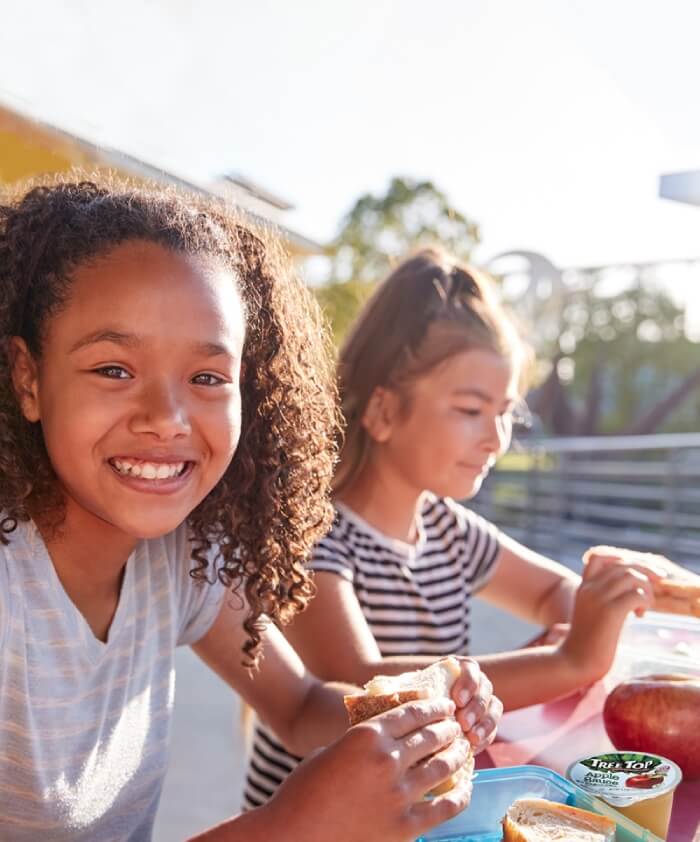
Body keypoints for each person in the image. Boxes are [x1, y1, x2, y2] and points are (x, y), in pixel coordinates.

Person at [0, 183, 499, 842]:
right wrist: (293, 823)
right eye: (114, 369)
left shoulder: (179, 561)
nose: (166, 420)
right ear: (28, 378)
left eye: (207, 378)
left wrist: (417, 700)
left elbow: (297, 706)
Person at [243, 247, 657, 808]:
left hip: (419, 813)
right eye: (469, 409)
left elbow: (555, 592)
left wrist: (585, 622)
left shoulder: (447, 527)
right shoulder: (316, 536)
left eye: (506, 412)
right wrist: (569, 662)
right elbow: (358, 684)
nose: (496, 438)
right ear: (385, 412)